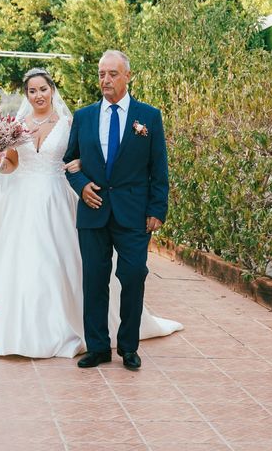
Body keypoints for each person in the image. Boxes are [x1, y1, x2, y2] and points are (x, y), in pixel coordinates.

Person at [0, 68, 181, 359]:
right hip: (21, 203)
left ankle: (76, 330)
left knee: (63, 263)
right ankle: (14, 329)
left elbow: (84, 156)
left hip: (56, 201)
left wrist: (80, 174)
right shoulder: (16, 125)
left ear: (52, 90)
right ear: (27, 95)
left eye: (43, 89)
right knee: (19, 260)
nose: (38, 95)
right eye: (32, 91)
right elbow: (12, 164)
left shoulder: (70, 122)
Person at [63, 50, 170, 370]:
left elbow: (159, 168)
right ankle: (97, 347)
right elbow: (69, 163)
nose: (105, 80)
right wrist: (81, 185)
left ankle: (128, 346)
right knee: (94, 280)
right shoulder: (83, 117)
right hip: (93, 213)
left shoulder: (148, 117)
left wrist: (157, 209)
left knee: (134, 275)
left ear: (127, 76)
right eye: (101, 74)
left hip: (134, 213)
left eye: (112, 74)